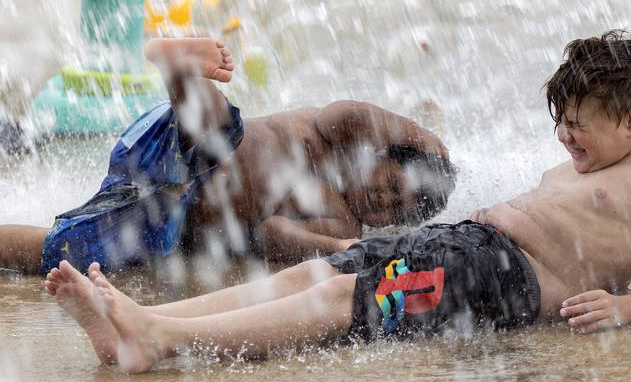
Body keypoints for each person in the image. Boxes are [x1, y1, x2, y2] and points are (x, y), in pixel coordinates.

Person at [45, 30, 631, 373]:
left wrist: (628, 305)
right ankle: (138, 317)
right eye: (561, 120)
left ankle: (159, 341)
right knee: (314, 273)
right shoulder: (587, 161)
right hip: (464, 247)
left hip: (499, 281)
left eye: (580, 122)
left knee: (345, 301)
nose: (565, 135)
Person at [0, 37, 455, 276]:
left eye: (398, 208)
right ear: (380, 152)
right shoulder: (334, 134)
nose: (383, 198)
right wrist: (428, 140)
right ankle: (182, 72)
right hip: (199, 138)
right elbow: (351, 110)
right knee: (220, 132)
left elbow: (273, 234)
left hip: (167, 204)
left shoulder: (342, 222)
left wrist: (339, 247)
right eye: (393, 184)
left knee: (66, 249)